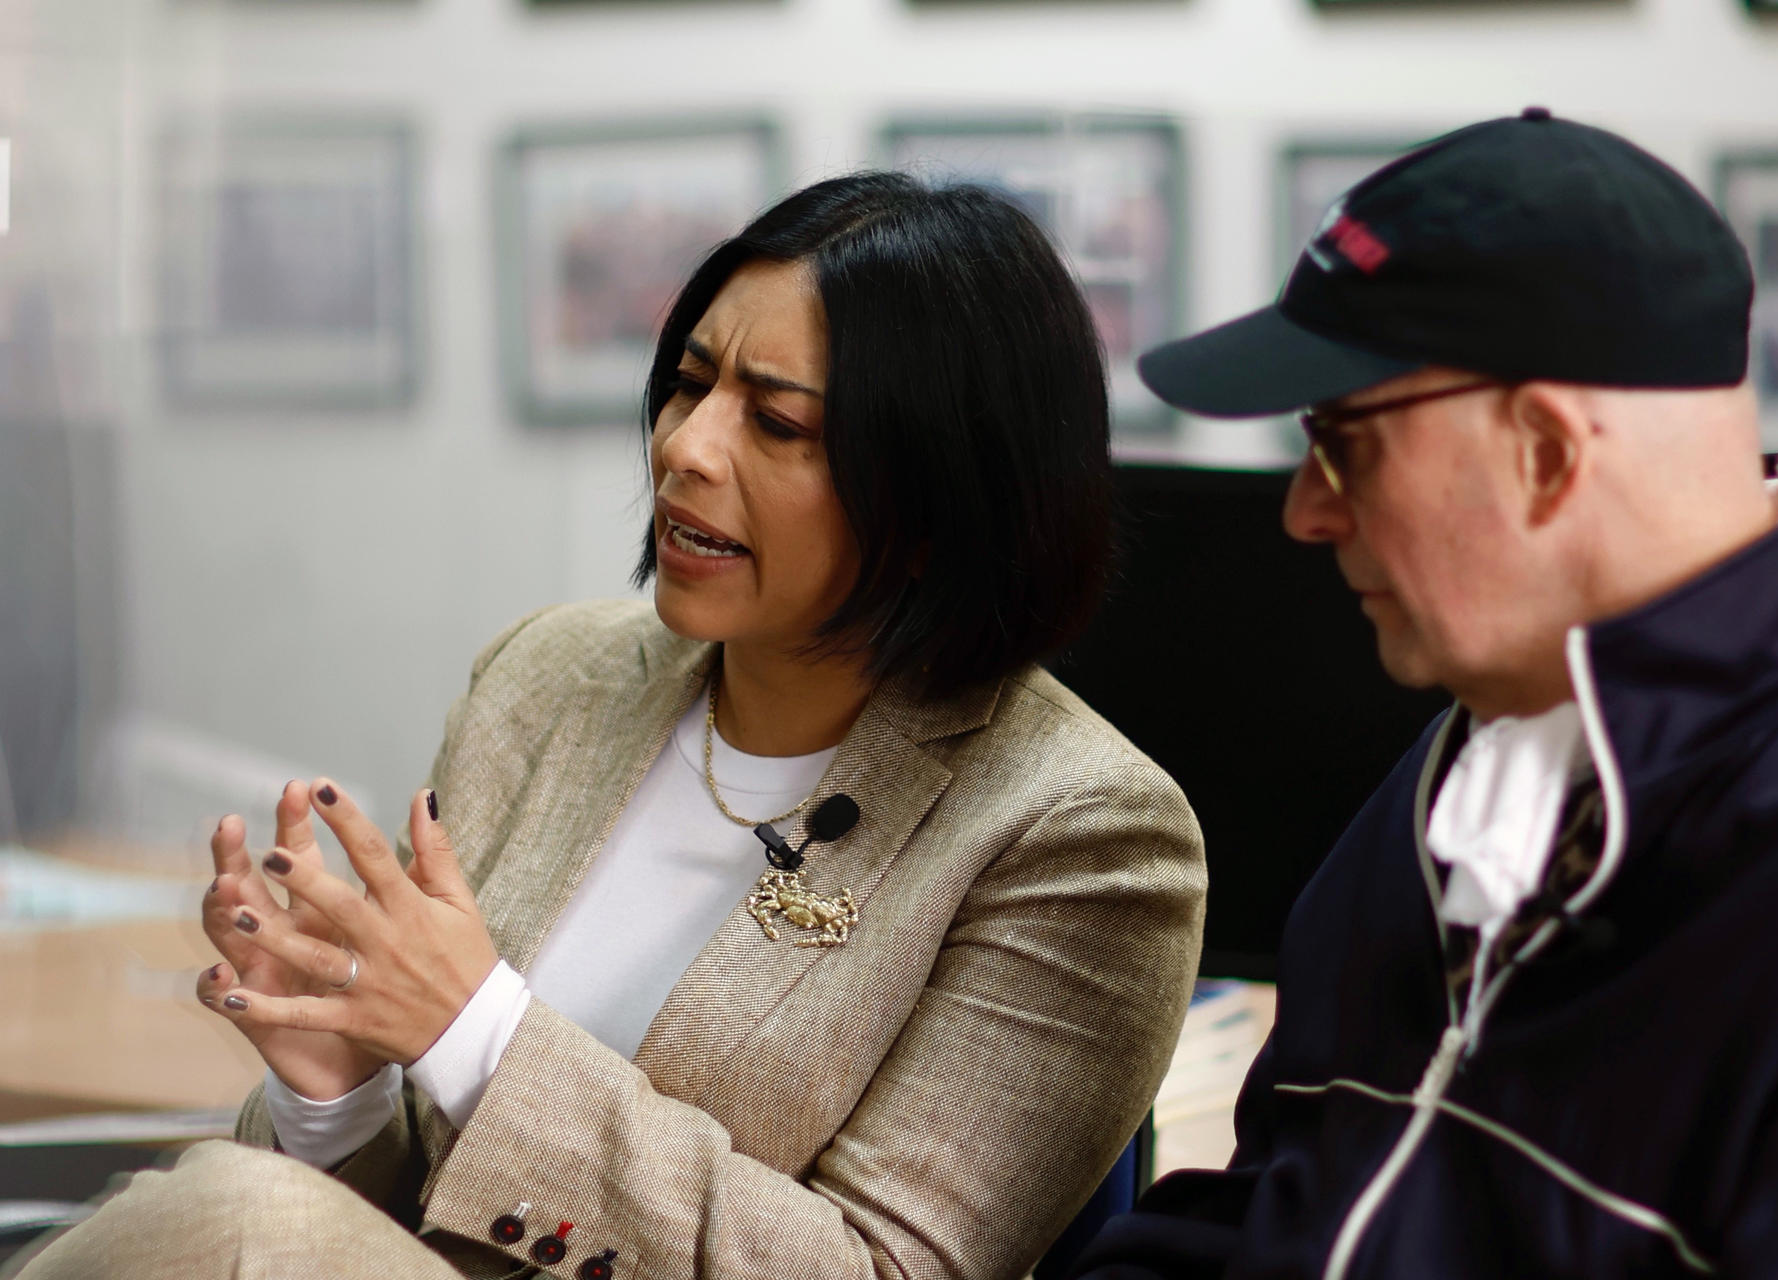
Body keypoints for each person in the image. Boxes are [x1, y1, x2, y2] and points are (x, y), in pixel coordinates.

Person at [16, 173, 1207, 1280]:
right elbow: (402, 1217)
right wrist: (344, 1097)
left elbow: (875, 1271)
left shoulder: (1088, 837)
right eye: (692, 384)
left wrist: (474, 1029)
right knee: (241, 1196)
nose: (684, 448)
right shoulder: (549, 677)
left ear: (945, 500)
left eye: (778, 426)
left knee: (240, 1220)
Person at [1066, 110, 1778, 1280]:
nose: (1305, 513)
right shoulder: (1468, 763)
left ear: (1548, 452)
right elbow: (1270, 1199)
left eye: (1342, 442)